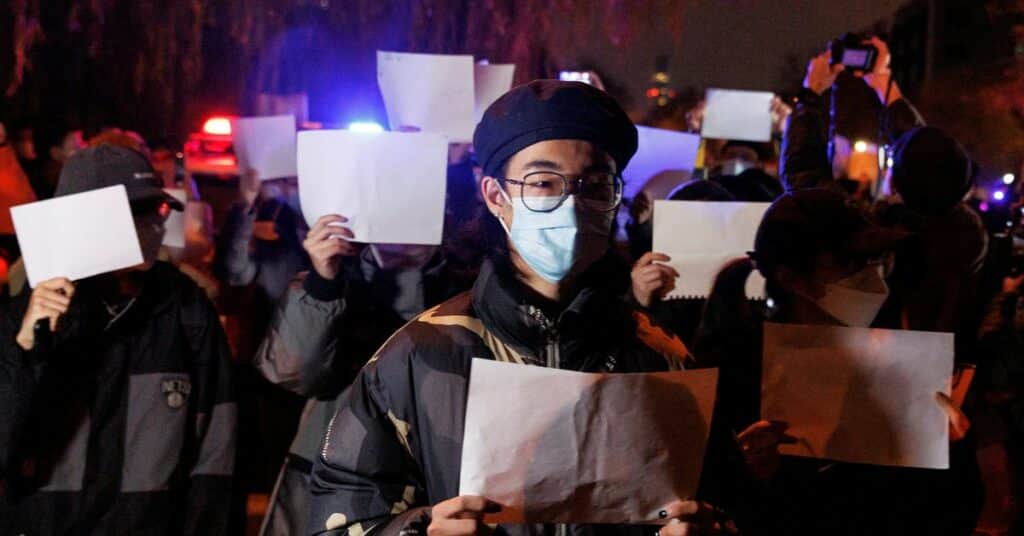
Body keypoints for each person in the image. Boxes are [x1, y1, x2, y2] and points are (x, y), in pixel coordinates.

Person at [308, 80, 733, 536]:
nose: (570, 204)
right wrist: (421, 529)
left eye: (594, 184)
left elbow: (725, 501)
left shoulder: (662, 360)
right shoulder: (419, 354)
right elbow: (341, 516)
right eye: (543, 182)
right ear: (496, 197)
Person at [695, 187, 978, 535]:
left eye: (875, 260)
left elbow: (952, 515)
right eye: (849, 262)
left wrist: (954, 453)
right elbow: (711, 508)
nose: (870, 274)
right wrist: (746, 474)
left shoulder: (902, 360)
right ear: (791, 278)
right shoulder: (741, 369)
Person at [0, 144, 237, 535]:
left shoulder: (185, 310)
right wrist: (24, 349)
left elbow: (216, 451)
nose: (157, 225)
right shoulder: (25, 315)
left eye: (159, 210)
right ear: (86, 221)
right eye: (139, 212)